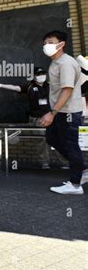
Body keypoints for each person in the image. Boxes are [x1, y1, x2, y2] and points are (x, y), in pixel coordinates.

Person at [0, 67, 69, 170]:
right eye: (38, 74)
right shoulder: (30, 86)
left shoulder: (51, 86)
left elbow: (65, 92)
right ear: (34, 76)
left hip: (51, 116)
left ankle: (65, 162)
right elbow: (16, 88)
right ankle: (44, 162)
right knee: (41, 141)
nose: (41, 76)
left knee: (58, 139)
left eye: (43, 73)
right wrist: (0, 85)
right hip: (37, 118)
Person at [39, 30, 87, 195]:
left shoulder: (66, 63)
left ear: (61, 44)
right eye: (45, 42)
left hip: (68, 112)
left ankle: (75, 185)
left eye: (50, 42)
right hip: (61, 112)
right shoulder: (55, 63)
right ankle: (82, 169)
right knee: (51, 138)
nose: (46, 45)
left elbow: (67, 90)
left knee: (71, 145)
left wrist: (52, 113)